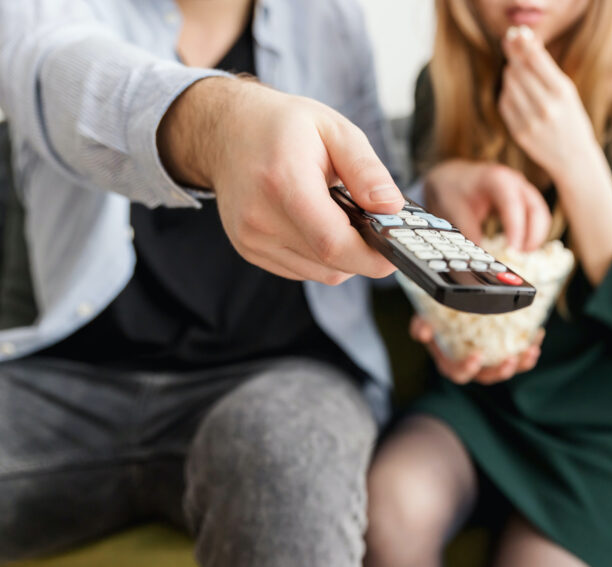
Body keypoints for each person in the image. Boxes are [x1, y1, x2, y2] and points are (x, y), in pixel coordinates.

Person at [0, 1, 405, 565]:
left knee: (285, 458)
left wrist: (442, 192)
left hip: (284, 377)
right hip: (71, 380)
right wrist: (223, 127)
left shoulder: (331, 16)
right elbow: (63, 73)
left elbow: (380, 191)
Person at [365, 1, 612, 566]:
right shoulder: (443, 84)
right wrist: (452, 331)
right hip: (485, 405)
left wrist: (576, 158)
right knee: (389, 506)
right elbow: (444, 290)